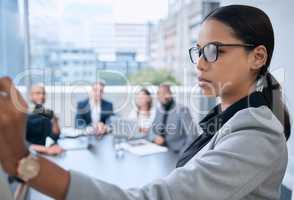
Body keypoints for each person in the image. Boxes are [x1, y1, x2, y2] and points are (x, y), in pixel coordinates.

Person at [0, 5, 291, 200]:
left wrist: (24, 162)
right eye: (198, 51)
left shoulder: (257, 136)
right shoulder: (227, 120)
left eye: (214, 51)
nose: (200, 64)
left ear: (258, 57)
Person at [149, 84, 198, 153]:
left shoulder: (182, 110)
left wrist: (183, 154)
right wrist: (155, 138)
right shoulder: (158, 110)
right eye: (160, 94)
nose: (164, 96)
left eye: (166, 93)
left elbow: (193, 135)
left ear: (171, 94)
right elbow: (151, 130)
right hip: (160, 150)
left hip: (176, 151)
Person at [26, 84, 63, 155]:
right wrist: (46, 149)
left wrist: (55, 121)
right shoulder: (24, 115)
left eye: (43, 93)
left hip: (45, 153)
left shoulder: (46, 113)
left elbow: (54, 137)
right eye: (38, 93)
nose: (42, 96)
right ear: (30, 96)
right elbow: (22, 143)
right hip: (30, 154)